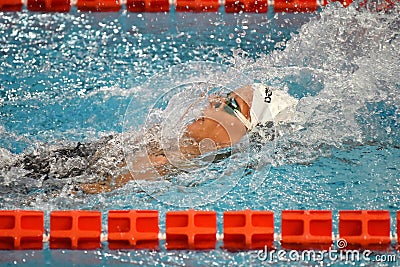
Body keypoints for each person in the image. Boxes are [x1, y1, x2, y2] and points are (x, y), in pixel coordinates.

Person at [80, 83, 300, 194]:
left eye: (231, 104)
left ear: (241, 134)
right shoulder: (164, 139)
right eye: (223, 95)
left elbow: (91, 190)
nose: (213, 99)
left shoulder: (169, 164)